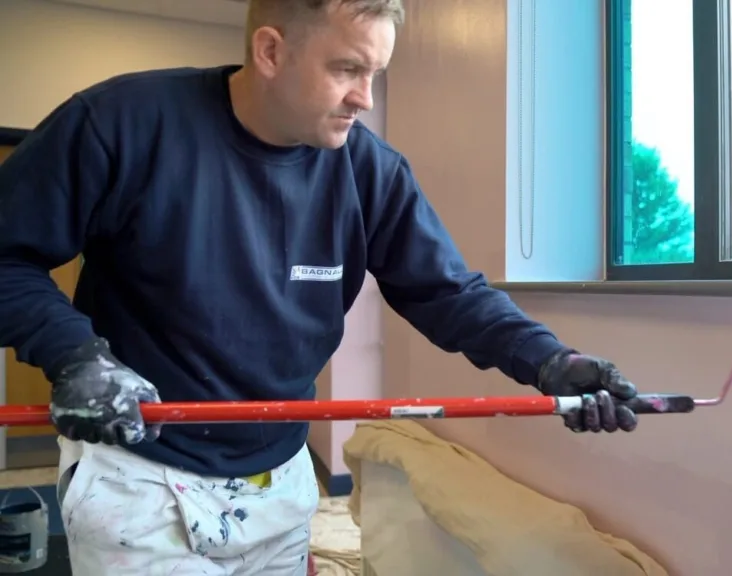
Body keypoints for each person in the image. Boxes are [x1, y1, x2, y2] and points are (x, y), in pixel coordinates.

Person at [0, 0, 642, 573]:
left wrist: (552, 360)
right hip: (138, 474)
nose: (365, 97)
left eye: (376, 75)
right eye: (347, 69)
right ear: (271, 51)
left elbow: (450, 293)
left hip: (280, 476)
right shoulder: (121, 123)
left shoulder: (372, 171)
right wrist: (74, 355)